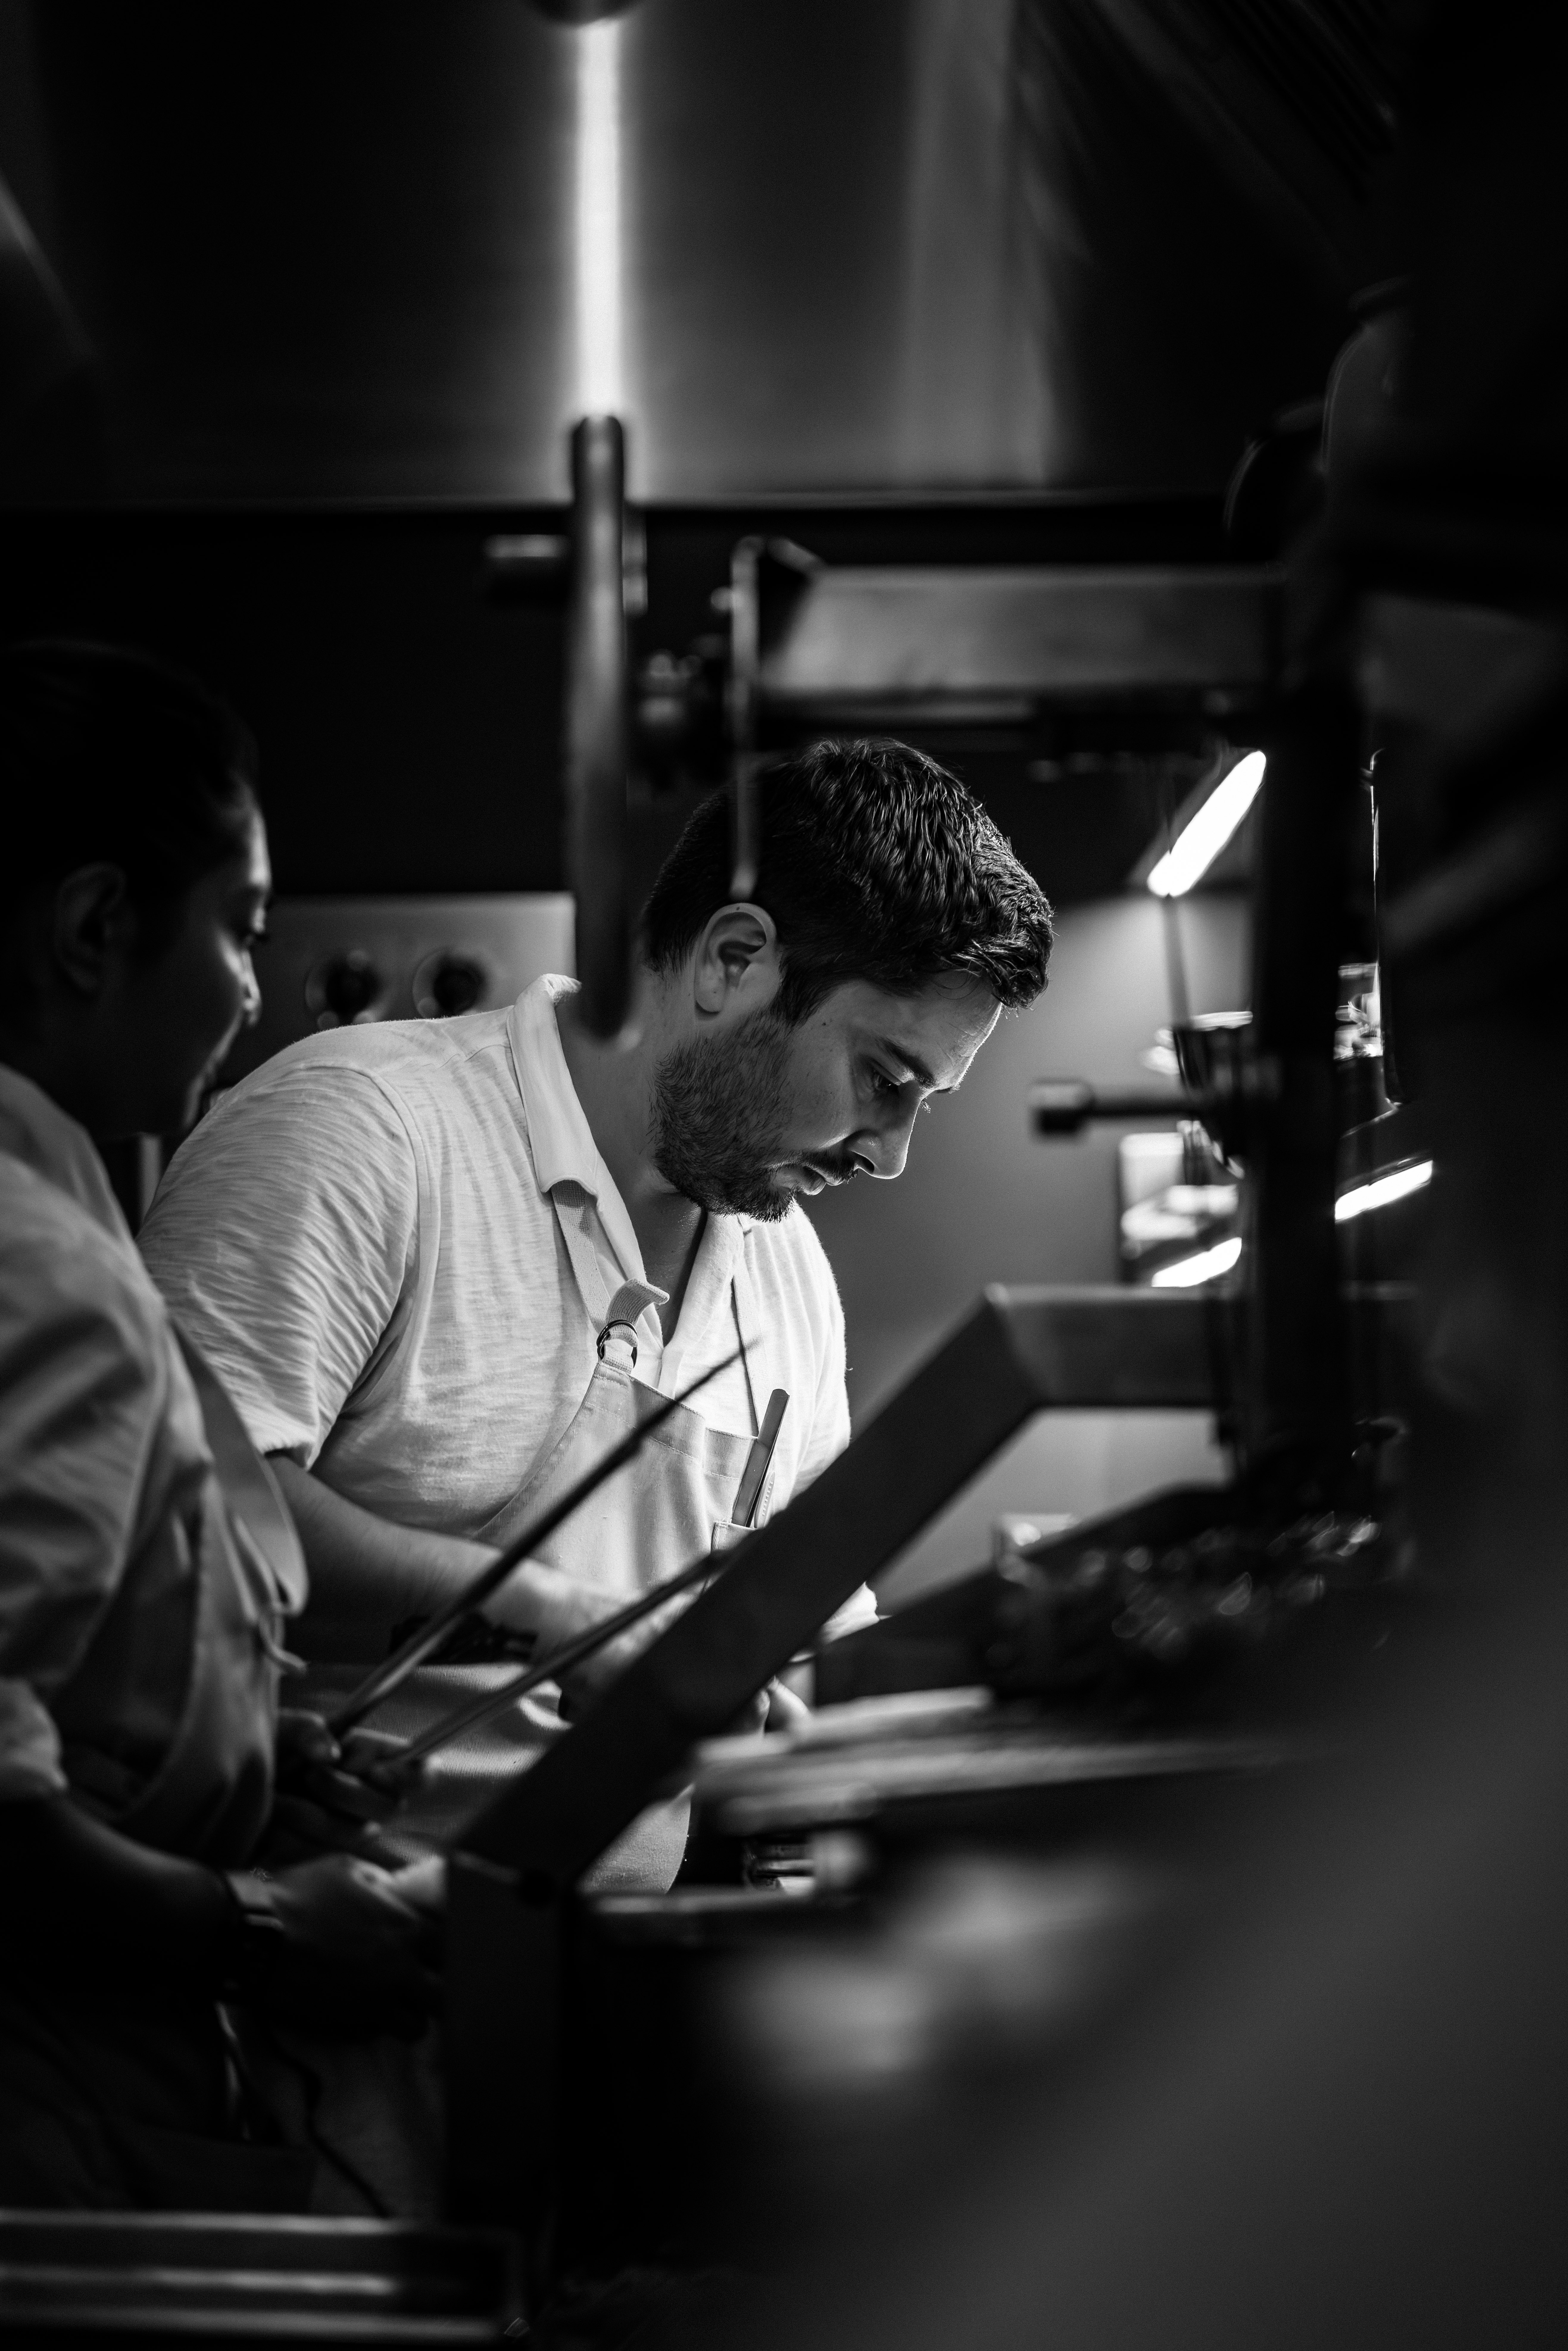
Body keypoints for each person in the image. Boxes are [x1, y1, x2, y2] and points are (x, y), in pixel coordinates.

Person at [141, 739, 1055, 1881]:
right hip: (294, 1984)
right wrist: (560, 1616)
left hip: (595, 1995)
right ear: (734, 959)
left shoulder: (786, 1276)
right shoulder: (357, 1133)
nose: (894, 1153)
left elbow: (804, 1631)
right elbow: (186, 1518)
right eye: (885, 1079)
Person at [0, 640, 433, 2211]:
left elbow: (66, 1670)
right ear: (100, 925)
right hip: (45, 2108)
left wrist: (242, 1755)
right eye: (244, 929)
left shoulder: (63, 1210)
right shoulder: (37, 1266)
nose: (255, 990)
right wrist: (260, 1915)